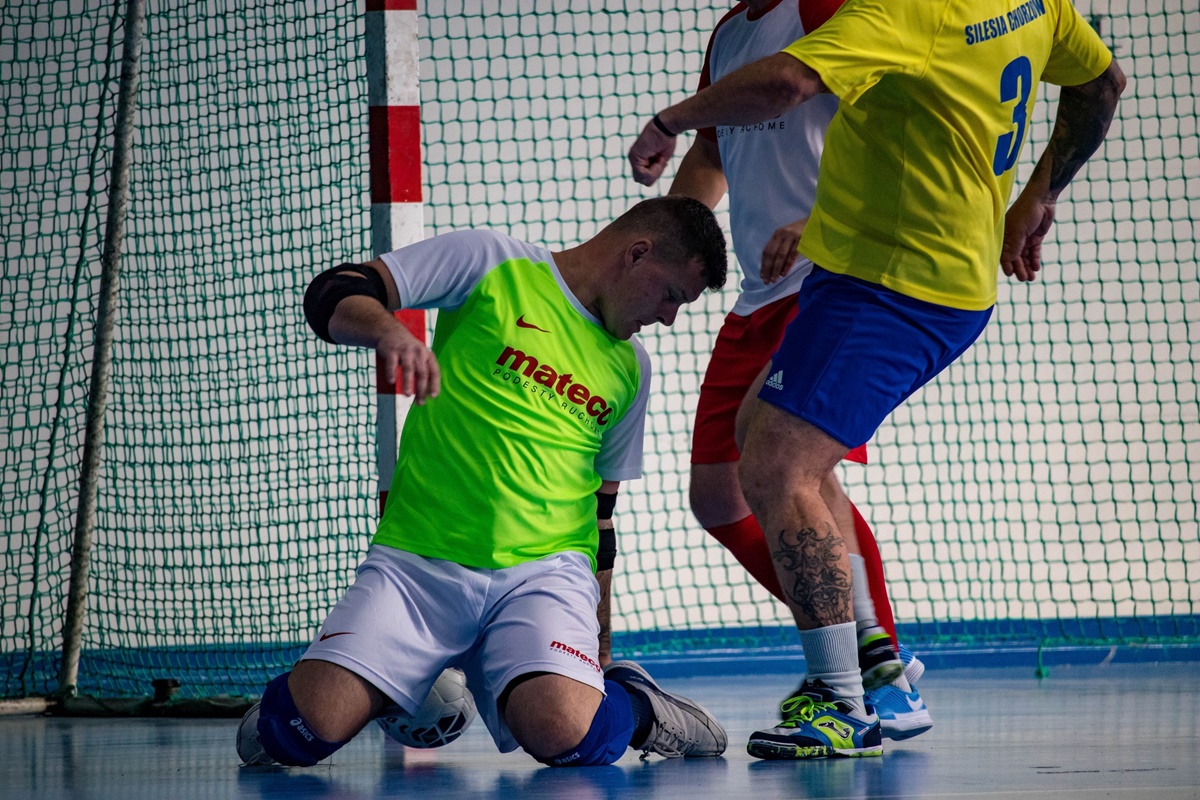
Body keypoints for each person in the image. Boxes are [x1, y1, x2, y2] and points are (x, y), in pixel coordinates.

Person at [629, 0, 1124, 759]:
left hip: (879, 275)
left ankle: (855, 689)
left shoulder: (867, 9)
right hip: (862, 272)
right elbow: (1101, 82)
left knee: (779, 467)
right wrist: (1038, 195)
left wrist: (667, 120)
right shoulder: (1027, 3)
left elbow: (794, 83)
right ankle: (864, 666)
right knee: (737, 478)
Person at [236, 196, 731, 768]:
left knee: (565, 733)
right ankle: (319, 696)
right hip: (418, 564)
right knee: (295, 734)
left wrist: (596, 654)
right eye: (672, 296)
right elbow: (334, 290)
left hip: (542, 573)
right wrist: (389, 335)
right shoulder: (491, 261)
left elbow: (602, 515)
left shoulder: (632, 368)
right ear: (637, 254)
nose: (669, 318)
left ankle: (640, 708)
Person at [669, 0, 931, 741]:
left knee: (799, 472)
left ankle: (875, 671)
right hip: (758, 293)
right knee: (718, 497)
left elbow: (895, 130)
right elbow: (715, 153)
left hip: (829, 275)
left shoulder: (825, 11)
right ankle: (858, 646)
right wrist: (670, 243)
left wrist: (829, 223)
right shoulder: (730, 33)